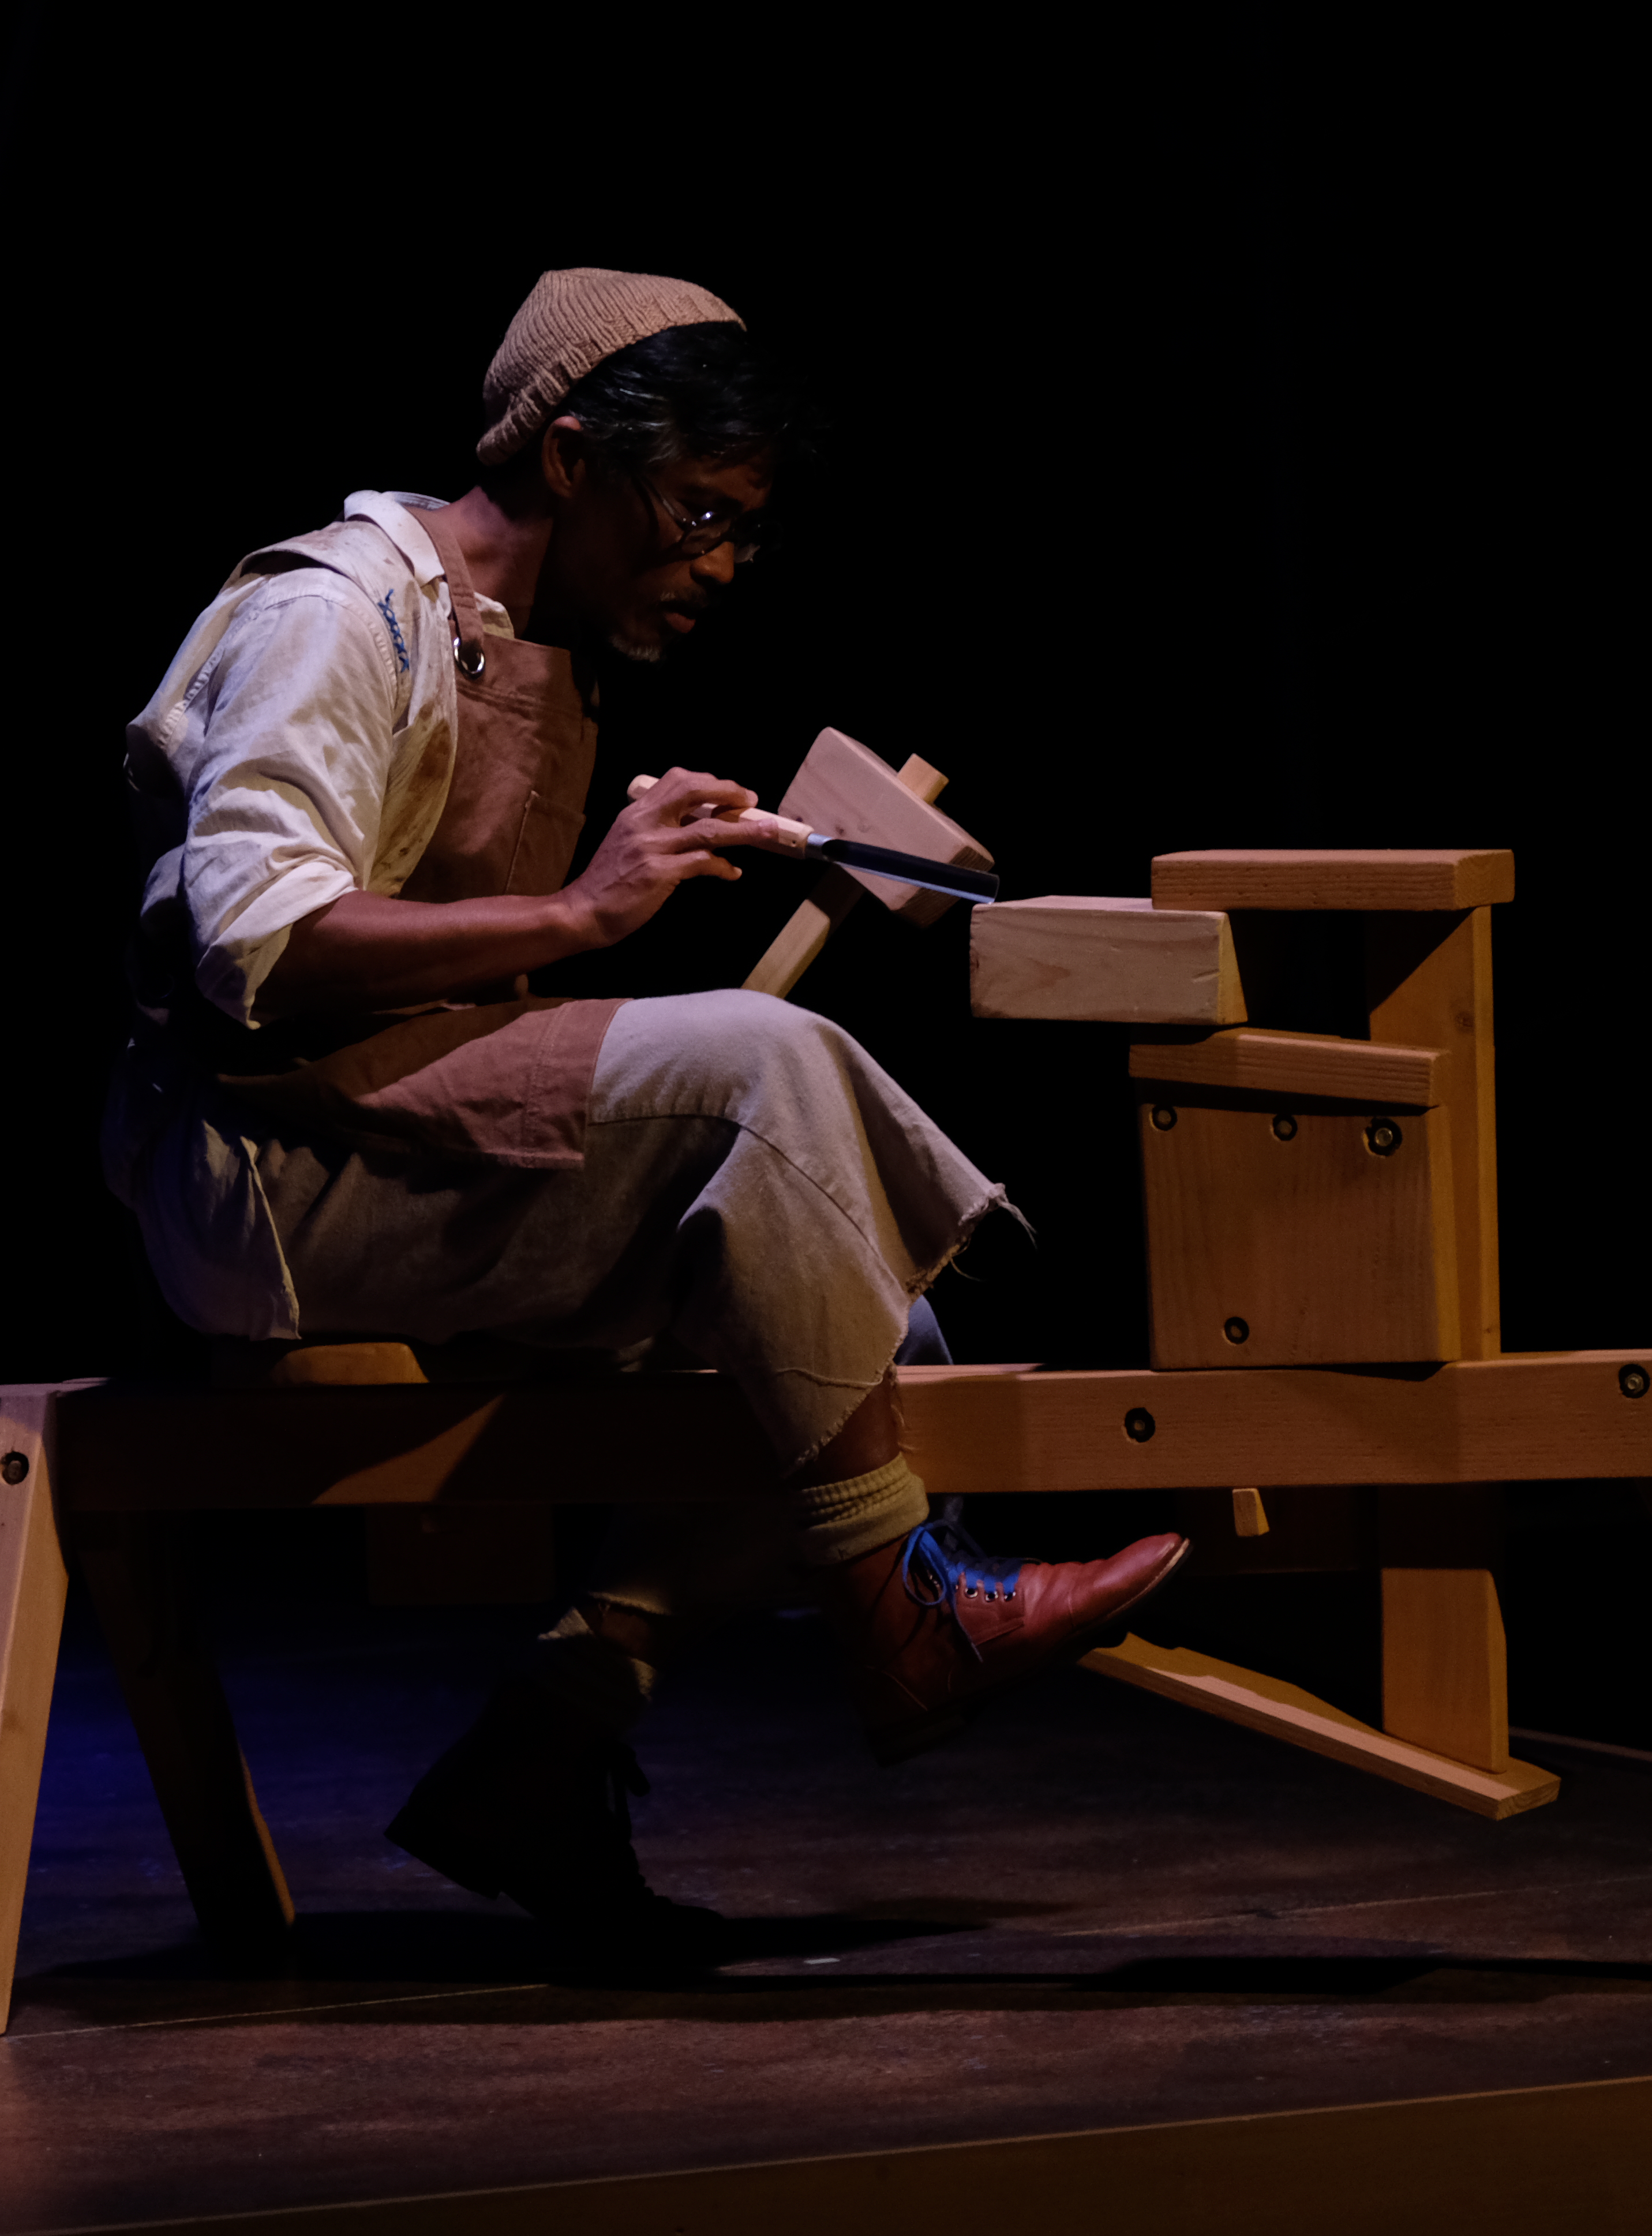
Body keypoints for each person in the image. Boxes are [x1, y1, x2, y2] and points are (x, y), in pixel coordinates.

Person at [102, 269, 1184, 1958]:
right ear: (570, 458)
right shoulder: (340, 613)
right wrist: (585, 912)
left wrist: (634, 874)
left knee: (859, 1321)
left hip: (407, 1131)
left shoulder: (536, 645)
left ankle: (547, 1744)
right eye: (698, 515)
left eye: (746, 528)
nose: (724, 564)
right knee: (762, 1061)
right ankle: (911, 1614)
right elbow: (254, 941)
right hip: (271, 1161)